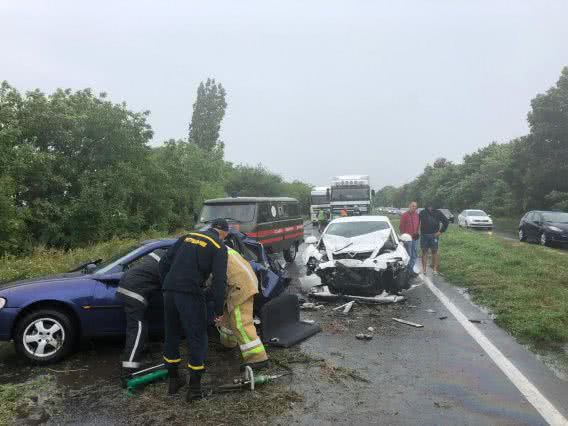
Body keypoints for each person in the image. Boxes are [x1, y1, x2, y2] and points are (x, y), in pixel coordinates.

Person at [159, 219, 229, 401]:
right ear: (224, 233)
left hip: (169, 291)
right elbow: (219, 281)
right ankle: (195, 389)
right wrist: (219, 310)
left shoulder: (187, 237)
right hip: (190, 293)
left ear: (211, 227)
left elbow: (164, 262)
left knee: (172, 335)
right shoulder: (219, 246)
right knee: (197, 337)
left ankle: (174, 381)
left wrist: (166, 284)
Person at [116, 247, 167, 383]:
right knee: (137, 330)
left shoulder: (158, 253)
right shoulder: (167, 263)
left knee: (140, 325)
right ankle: (128, 369)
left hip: (125, 286)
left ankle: (142, 348)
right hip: (134, 293)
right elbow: (169, 285)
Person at [217, 248, 269, 370]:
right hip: (240, 280)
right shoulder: (219, 247)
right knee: (228, 316)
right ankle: (228, 343)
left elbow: (213, 280)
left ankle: (258, 358)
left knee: (240, 322)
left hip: (240, 284)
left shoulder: (208, 250)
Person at [419, 203, 449, 275]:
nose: (430, 206)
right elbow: (417, 222)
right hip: (424, 235)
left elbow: (446, 222)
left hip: (434, 236)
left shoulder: (438, 212)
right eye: (428, 205)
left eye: (431, 204)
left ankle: (435, 269)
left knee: (434, 252)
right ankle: (424, 270)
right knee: (424, 252)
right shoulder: (422, 212)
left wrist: (441, 231)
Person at [399, 201, 420, 277]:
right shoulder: (404, 215)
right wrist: (404, 237)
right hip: (407, 239)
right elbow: (401, 227)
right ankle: (406, 271)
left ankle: (410, 270)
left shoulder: (417, 215)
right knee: (408, 255)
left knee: (414, 255)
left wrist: (417, 233)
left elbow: (417, 225)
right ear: (409, 206)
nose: (414, 207)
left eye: (415, 206)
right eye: (412, 206)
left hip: (415, 238)